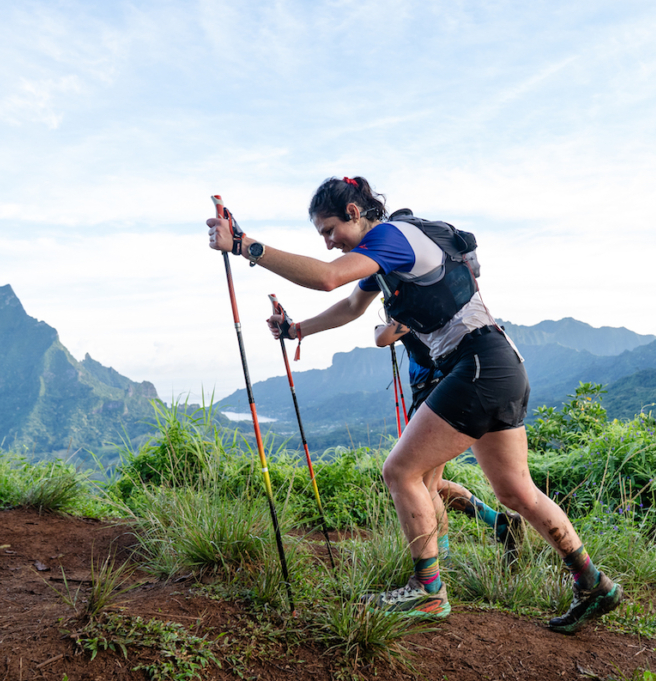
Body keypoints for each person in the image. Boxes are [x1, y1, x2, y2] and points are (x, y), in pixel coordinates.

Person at [206, 176, 622, 632]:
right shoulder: (383, 258)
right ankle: (594, 584)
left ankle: (429, 594)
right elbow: (349, 307)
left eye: (329, 231)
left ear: (353, 211)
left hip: (477, 365)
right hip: (501, 366)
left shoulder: (393, 237)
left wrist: (245, 245)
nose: (328, 244)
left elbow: (327, 279)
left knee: (401, 472)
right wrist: (297, 330)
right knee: (515, 491)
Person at [375, 319, 524, 565]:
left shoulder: (416, 310)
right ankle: (499, 523)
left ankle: (442, 561)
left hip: (436, 392)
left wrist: (384, 326)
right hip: (435, 390)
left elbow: (382, 338)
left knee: (427, 485)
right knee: (434, 483)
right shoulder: (428, 308)